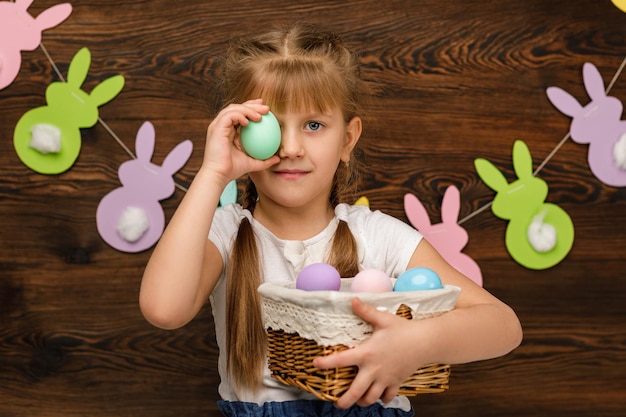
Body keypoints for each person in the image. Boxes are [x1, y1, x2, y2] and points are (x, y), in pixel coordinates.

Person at [139, 22, 522, 417]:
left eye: (314, 125)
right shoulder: (226, 233)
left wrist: (419, 342)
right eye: (269, 125)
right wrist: (213, 172)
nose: (290, 148)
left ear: (348, 139)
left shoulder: (378, 237)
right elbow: (164, 309)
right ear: (238, 136)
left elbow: (504, 325)